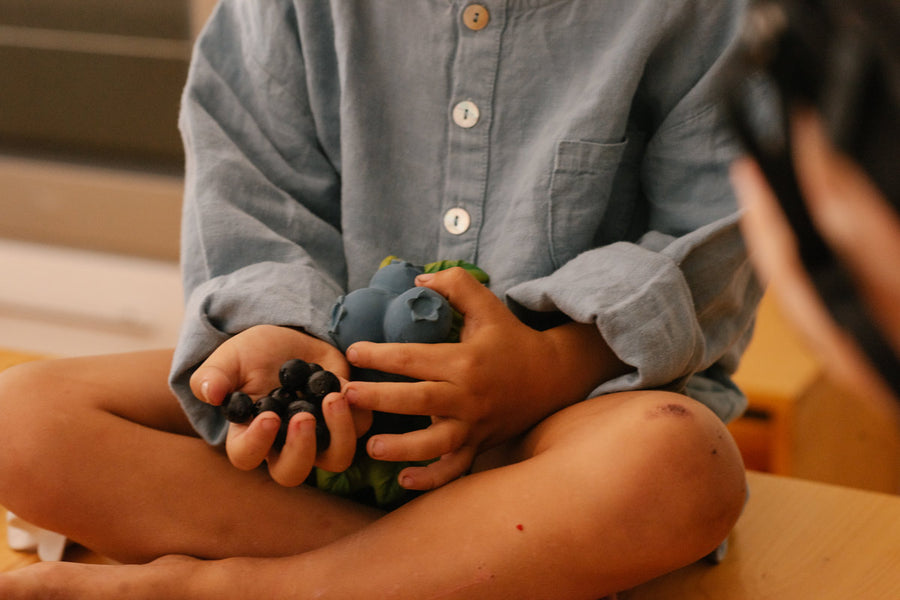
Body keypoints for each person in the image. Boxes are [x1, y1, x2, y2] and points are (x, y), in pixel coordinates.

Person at [0, 1, 758, 598]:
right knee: (21, 421)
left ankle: (235, 588)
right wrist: (274, 336)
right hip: (341, 421)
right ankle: (496, 571)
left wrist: (551, 364)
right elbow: (250, 186)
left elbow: (716, 240)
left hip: (559, 431)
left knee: (681, 462)